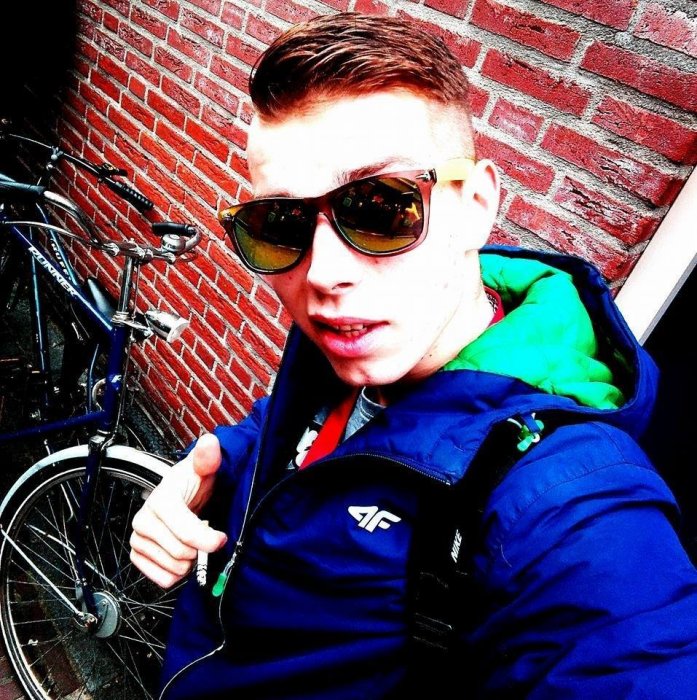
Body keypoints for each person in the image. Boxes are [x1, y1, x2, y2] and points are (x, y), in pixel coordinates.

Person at [129, 12, 697, 699]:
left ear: (476, 204)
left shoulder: (569, 510)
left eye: (379, 209)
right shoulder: (359, 341)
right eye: (280, 224)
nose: (323, 273)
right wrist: (209, 471)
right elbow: (301, 440)